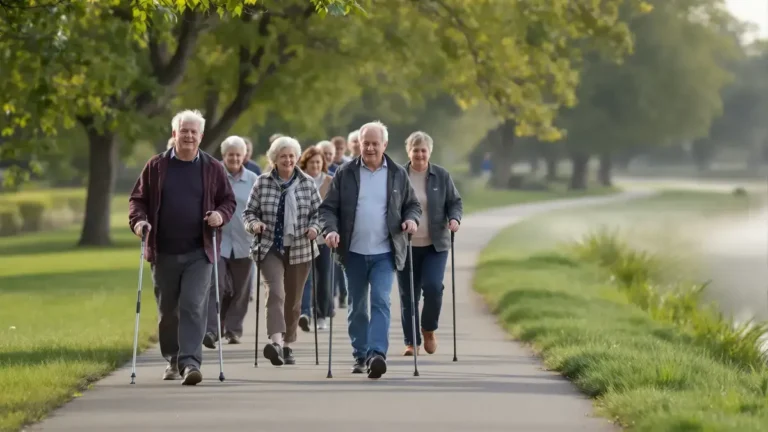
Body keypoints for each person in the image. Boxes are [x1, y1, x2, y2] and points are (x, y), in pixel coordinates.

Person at [128, 109, 236, 385]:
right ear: (174, 134)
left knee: (192, 305)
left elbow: (228, 201)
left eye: (193, 131)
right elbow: (137, 200)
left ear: (200, 136)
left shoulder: (213, 168)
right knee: (168, 311)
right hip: (163, 251)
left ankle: (190, 363)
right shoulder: (156, 166)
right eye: (183, 131)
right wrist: (139, 222)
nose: (188, 135)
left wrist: (219, 216)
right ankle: (173, 359)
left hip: (200, 251)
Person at [319, 120, 421, 379]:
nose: (371, 148)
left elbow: (413, 205)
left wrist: (411, 220)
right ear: (359, 144)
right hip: (352, 251)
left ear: (384, 145)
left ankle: (377, 354)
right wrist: (330, 230)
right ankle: (360, 353)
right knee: (357, 306)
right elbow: (328, 208)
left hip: (385, 251)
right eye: (366, 143)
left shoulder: (398, 173)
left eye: (376, 143)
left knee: (381, 301)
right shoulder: (345, 172)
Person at [243, 136, 322, 366]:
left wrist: (315, 228)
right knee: (276, 292)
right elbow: (249, 213)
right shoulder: (262, 182)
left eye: (291, 156)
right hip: (269, 246)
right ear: (274, 159)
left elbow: (319, 213)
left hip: (299, 247)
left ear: (297, 158)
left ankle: (288, 345)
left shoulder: (307, 183)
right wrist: (254, 225)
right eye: (282, 156)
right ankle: (276, 342)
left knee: (294, 299)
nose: (288, 160)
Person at [397, 131, 462, 356]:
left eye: (423, 150)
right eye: (415, 150)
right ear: (409, 152)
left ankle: (429, 329)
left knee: (433, 287)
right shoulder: (398, 175)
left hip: (436, 244)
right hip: (405, 244)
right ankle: (411, 342)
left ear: (429, 152)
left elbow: (455, 201)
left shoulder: (441, 176)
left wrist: (454, 218)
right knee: (408, 295)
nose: (419, 154)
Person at [202, 136, 259, 349]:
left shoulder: (253, 179)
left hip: (245, 242)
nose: (234, 158)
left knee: (240, 290)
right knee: (216, 286)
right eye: (230, 155)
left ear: (244, 156)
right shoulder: (213, 176)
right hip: (218, 241)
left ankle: (233, 330)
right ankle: (211, 330)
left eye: (238, 154)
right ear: (223, 156)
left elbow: (259, 207)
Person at [297, 146, 334, 332]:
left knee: (323, 278)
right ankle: (304, 312)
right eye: (312, 162)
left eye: (319, 162)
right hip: (304, 237)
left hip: (324, 238)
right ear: (305, 164)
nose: (316, 165)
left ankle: (321, 315)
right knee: (305, 278)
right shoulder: (299, 181)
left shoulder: (330, 181)